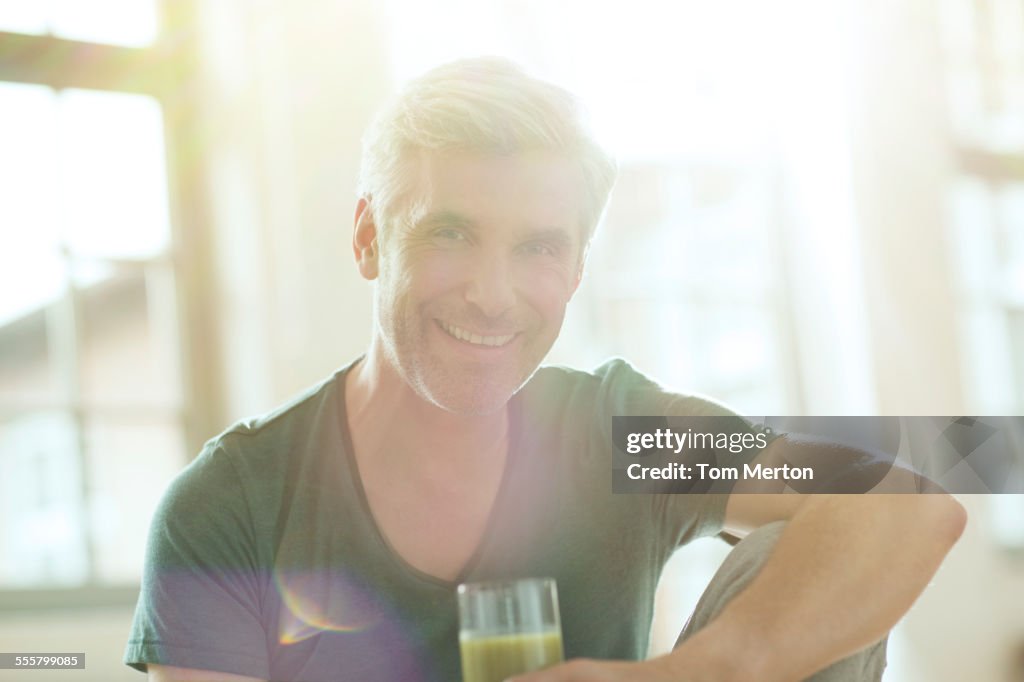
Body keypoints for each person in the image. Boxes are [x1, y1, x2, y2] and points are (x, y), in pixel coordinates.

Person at [125, 57, 966, 682]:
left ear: (574, 272)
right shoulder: (235, 504)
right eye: (448, 234)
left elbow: (909, 507)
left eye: (537, 248)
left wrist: (693, 674)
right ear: (368, 238)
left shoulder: (621, 439)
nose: (493, 296)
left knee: (802, 551)